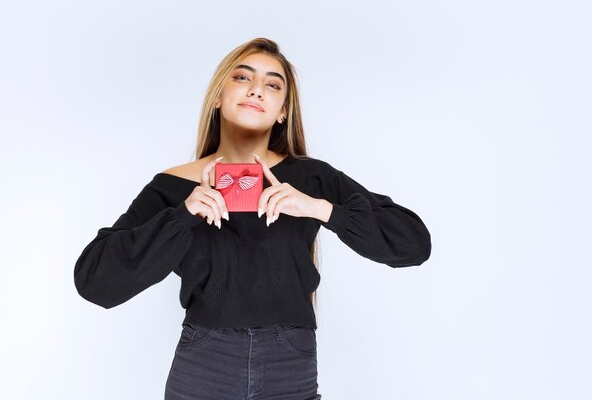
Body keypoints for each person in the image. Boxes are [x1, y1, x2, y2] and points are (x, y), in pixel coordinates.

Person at [73, 37, 432, 399]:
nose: (257, 90)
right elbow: (95, 282)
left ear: (283, 112)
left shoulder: (313, 179)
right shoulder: (173, 186)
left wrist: (320, 209)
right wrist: (182, 216)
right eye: (243, 78)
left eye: (273, 84)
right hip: (204, 363)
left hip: (290, 363)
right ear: (218, 95)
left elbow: (413, 244)